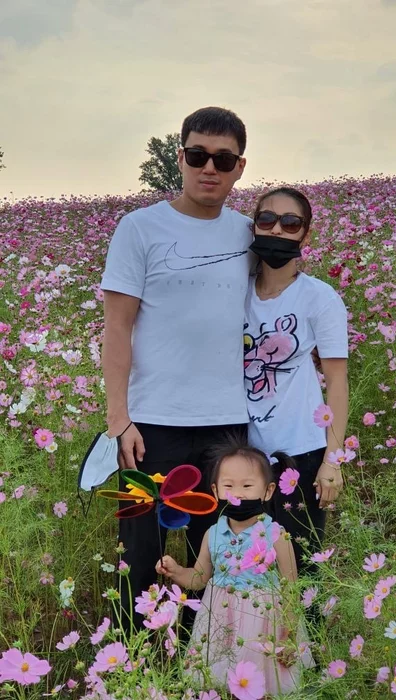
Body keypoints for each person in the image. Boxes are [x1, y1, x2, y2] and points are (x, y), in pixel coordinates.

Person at [100, 106, 252, 632]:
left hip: (225, 426)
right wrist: (119, 420)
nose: (209, 168)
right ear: (181, 157)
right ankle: (133, 659)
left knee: (215, 550)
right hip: (149, 424)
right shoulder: (139, 228)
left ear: (239, 167)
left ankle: (204, 657)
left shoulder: (249, 234)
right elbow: (117, 328)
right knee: (138, 550)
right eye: (197, 155)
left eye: (223, 159)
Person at [243, 187, 349, 573]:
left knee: (300, 570)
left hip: (300, 452)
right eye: (267, 219)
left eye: (290, 223)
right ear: (254, 226)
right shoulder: (235, 292)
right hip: (241, 455)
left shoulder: (319, 298)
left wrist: (332, 461)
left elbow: (337, 382)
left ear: (306, 233)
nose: (277, 229)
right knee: (244, 567)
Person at [156, 440, 314, 696]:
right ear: (215, 490)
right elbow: (199, 578)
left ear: (268, 491)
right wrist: (175, 571)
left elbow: (291, 588)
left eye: (247, 486)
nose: (237, 494)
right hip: (220, 623)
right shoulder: (213, 533)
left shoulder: (276, 535)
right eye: (228, 486)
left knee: (262, 684)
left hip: (264, 625)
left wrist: (289, 635)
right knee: (219, 682)